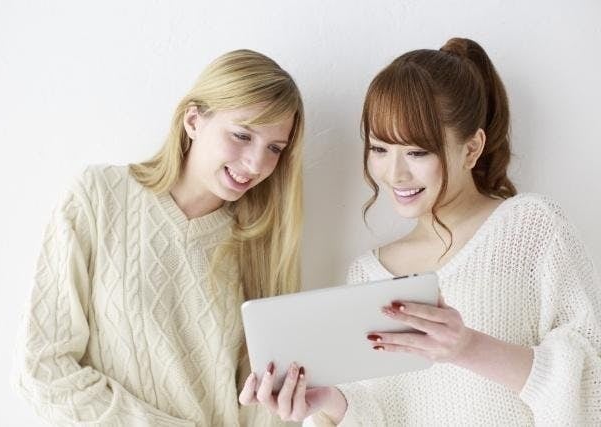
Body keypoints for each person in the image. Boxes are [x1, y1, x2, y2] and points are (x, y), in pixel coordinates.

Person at [239, 38, 601, 425]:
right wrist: (328, 401)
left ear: (472, 148)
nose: (395, 174)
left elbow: (591, 379)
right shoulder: (369, 273)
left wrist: (467, 348)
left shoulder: (532, 227)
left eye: (417, 152)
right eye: (379, 149)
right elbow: (380, 415)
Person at [12, 49, 305, 426]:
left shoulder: (263, 244)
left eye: (274, 148)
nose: (256, 163)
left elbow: (262, 414)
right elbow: (42, 369)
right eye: (241, 135)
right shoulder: (98, 197)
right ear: (194, 120)